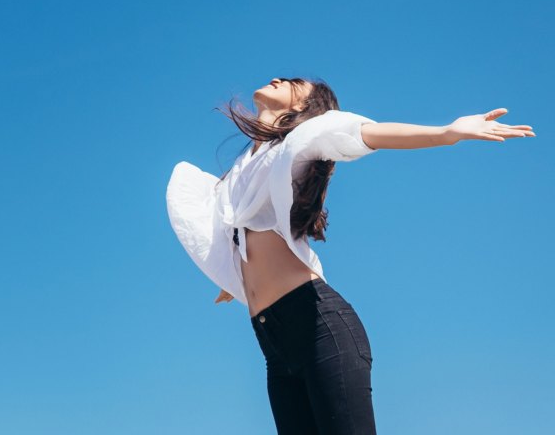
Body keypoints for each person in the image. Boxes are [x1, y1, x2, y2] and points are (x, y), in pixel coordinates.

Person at [165, 76, 535, 435]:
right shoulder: (243, 169)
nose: (277, 78)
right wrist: (233, 278)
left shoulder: (306, 136)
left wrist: (447, 133)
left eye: (293, 80)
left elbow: (364, 133)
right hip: (274, 346)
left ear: (307, 105)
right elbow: (231, 226)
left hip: (317, 325)